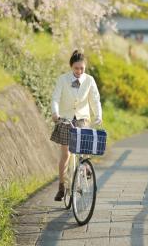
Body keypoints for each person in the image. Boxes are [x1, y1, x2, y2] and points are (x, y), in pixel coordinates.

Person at [50, 50, 102, 201]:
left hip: (82, 119)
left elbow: (95, 100)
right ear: (71, 67)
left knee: (83, 151)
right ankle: (61, 186)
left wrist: (98, 115)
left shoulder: (90, 80)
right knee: (65, 155)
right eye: (76, 68)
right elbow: (55, 98)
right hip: (65, 119)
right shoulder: (63, 79)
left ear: (85, 68)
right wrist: (55, 113)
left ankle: (84, 167)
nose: (79, 71)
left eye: (82, 68)